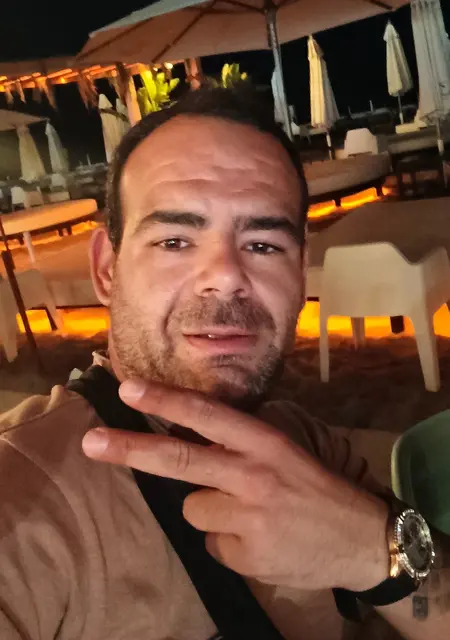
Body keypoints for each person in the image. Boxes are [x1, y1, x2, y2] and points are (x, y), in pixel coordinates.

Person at [0, 88, 447, 640]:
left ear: (300, 272)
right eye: (174, 241)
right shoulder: (28, 488)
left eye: (263, 245)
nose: (227, 275)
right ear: (107, 270)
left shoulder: (306, 444)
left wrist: (374, 549)